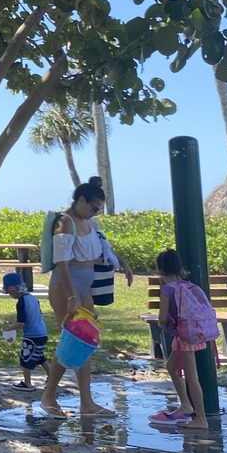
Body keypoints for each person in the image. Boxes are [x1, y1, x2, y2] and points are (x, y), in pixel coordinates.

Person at [41, 175, 134, 418]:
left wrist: (123, 263)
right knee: (72, 340)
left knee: (85, 342)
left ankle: (87, 402)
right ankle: (48, 396)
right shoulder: (65, 222)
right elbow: (61, 262)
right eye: (92, 208)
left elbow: (104, 249)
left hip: (86, 285)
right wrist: (71, 295)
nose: (94, 213)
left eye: (98, 210)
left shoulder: (92, 224)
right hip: (66, 284)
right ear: (80, 200)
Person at [150, 249, 216, 430]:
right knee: (171, 366)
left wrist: (165, 326)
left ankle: (201, 418)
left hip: (184, 338)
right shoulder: (188, 286)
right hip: (195, 333)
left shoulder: (167, 290)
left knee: (191, 377)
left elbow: (162, 318)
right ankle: (185, 404)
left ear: (160, 270)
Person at [1, 272, 48, 391]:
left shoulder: (21, 302)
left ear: (12, 289)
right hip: (42, 333)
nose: (10, 295)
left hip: (32, 335)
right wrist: (14, 323)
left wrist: (9, 328)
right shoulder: (32, 298)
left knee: (26, 358)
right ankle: (52, 377)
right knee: (39, 357)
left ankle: (27, 384)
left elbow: (22, 322)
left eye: (9, 292)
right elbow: (33, 315)